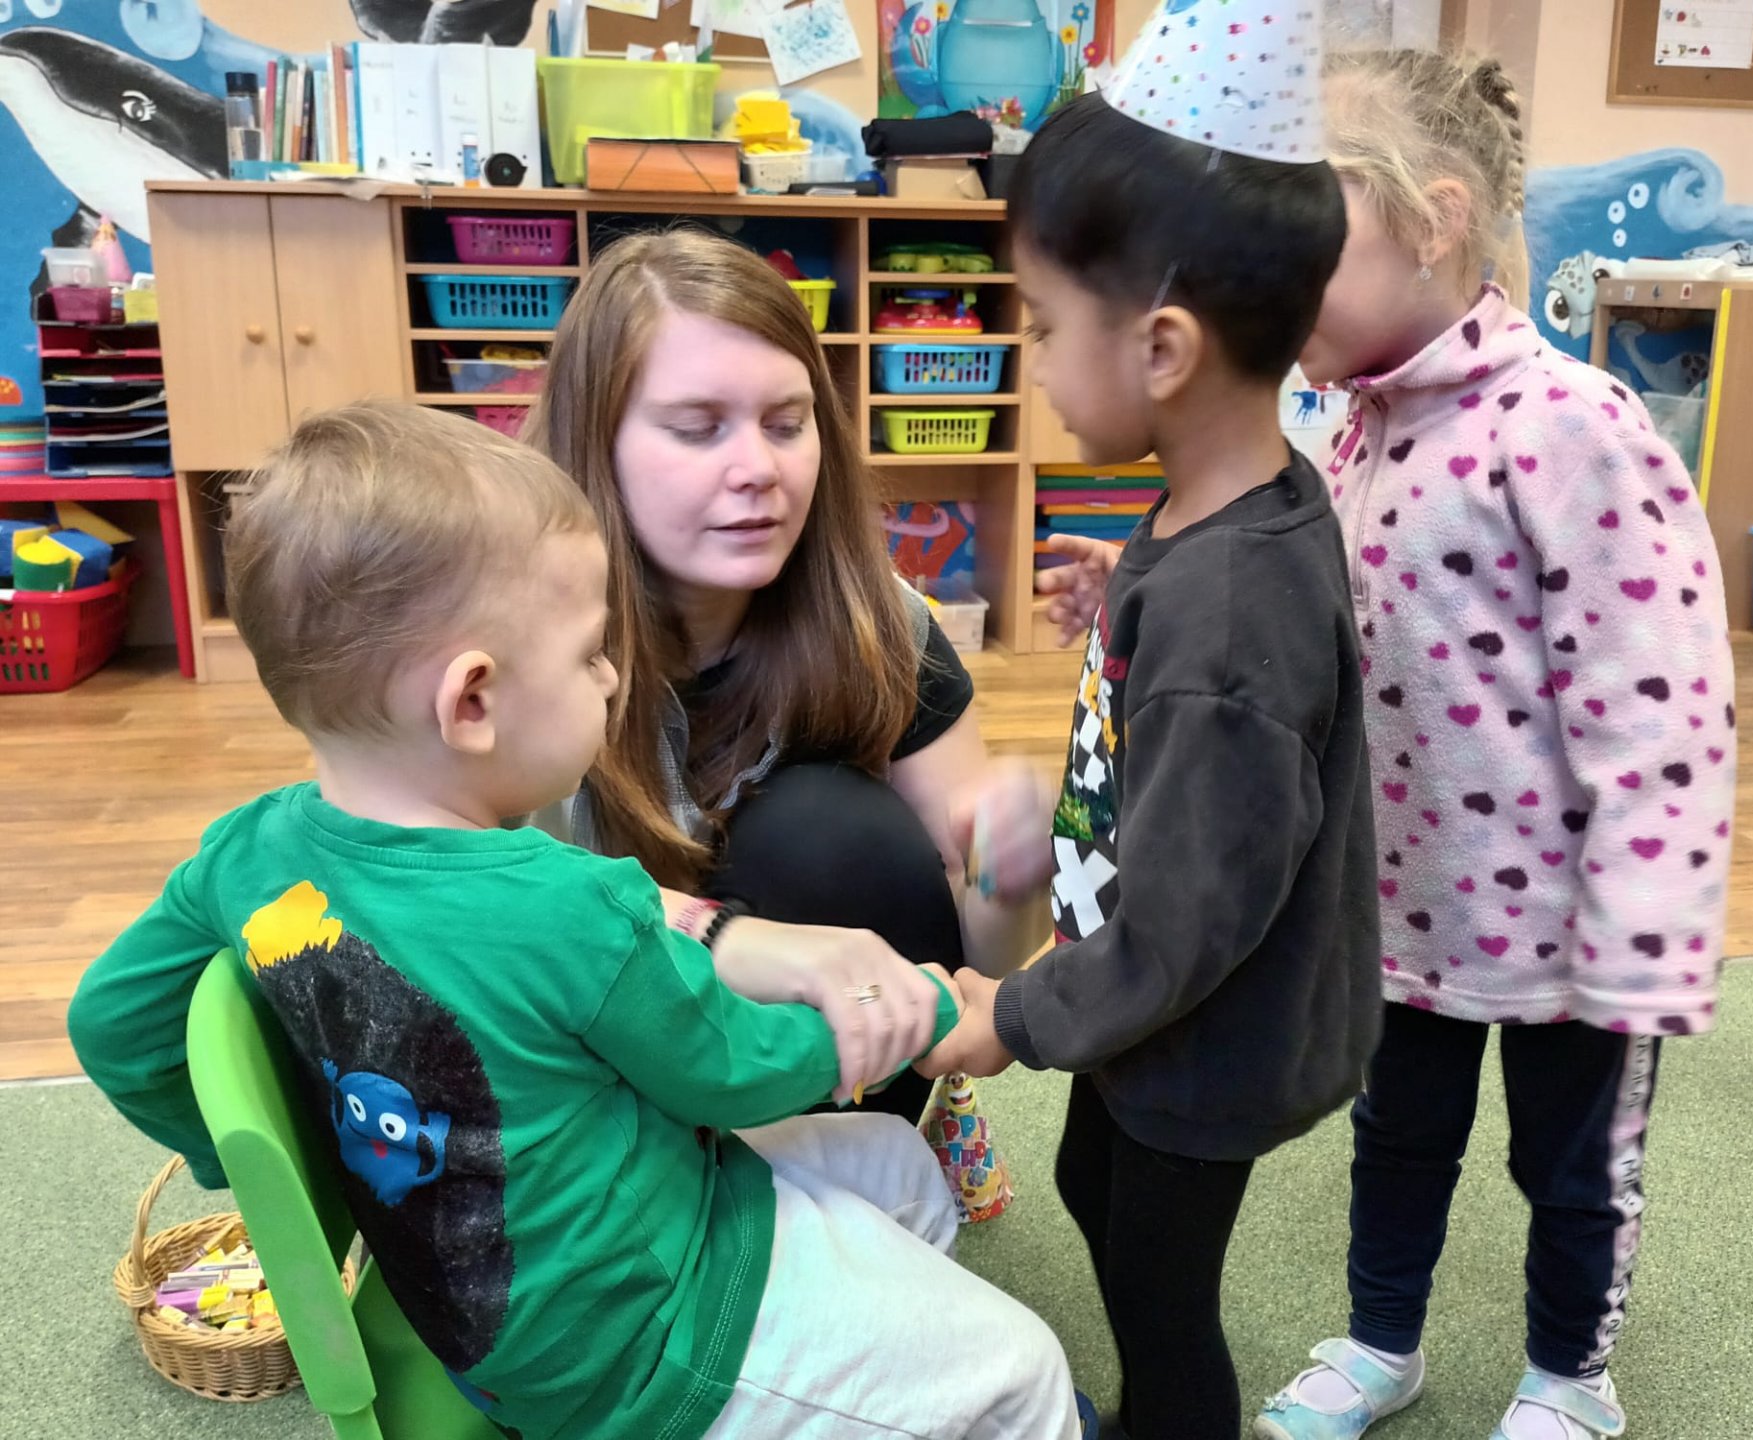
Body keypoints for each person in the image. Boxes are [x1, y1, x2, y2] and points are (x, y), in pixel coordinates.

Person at [66, 404, 1085, 1440]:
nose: (612, 676)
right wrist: (906, 1012)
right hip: (640, 1342)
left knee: (900, 1170)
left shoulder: (245, 853)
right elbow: (730, 1074)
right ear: (472, 702)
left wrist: (270, 1169)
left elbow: (112, 1027)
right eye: (591, 654)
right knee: (1027, 1372)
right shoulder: (569, 903)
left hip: (494, 1313)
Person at [1243, 51, 1737, 1440]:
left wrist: (1645, 932)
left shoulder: (1570, 427)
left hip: (1575, 924)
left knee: (1571, 1168)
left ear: (1435, 220)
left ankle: (1571, 1379)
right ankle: (1380, 1341)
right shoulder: (1352, 426)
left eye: (1304, 249)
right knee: (1397, 1135)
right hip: (1408, 902)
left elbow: (1662, 702)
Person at [914, 15, 1385, 1433]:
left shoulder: (1226, 624)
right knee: (1090, 1183)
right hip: (1149, 1002)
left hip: (1200, 1027)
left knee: (1161, 1291)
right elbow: (1213, 685)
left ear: (1165, 346)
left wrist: (1016, 1015)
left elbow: (1188, 918)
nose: (1035, 359)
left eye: (1046, 325)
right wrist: (1130, 600)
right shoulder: (1222, 512)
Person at [522, 228, 1057, 1122]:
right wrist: (736, 942)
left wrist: (1011, 874)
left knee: (835, 833)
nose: (759, 471)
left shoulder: (878, 622)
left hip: (810, 1087)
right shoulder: (514, 637)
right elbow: (474, 914)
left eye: (786, 423)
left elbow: (978, 966)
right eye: (697, 429)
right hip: (586, 1075)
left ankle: (835, 1161)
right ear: (595, 442)